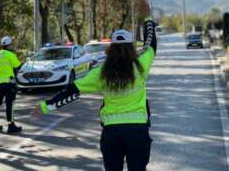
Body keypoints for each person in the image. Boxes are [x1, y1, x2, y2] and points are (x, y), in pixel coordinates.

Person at [31, 17, 157, 171]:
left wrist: (45, 107)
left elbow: (71, 92)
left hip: (112, 133)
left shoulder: (100, 73)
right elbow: (151, 44)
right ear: (131, 48)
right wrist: (148, 19)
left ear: (111, 48)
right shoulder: (141, 66)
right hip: (137, 132)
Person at [0, 36, 23, 133]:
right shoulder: (10, 54)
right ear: (8, 45)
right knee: (10, 104)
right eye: (11, 44)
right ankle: (11, 125)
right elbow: (17, 65)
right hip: (9, 83)